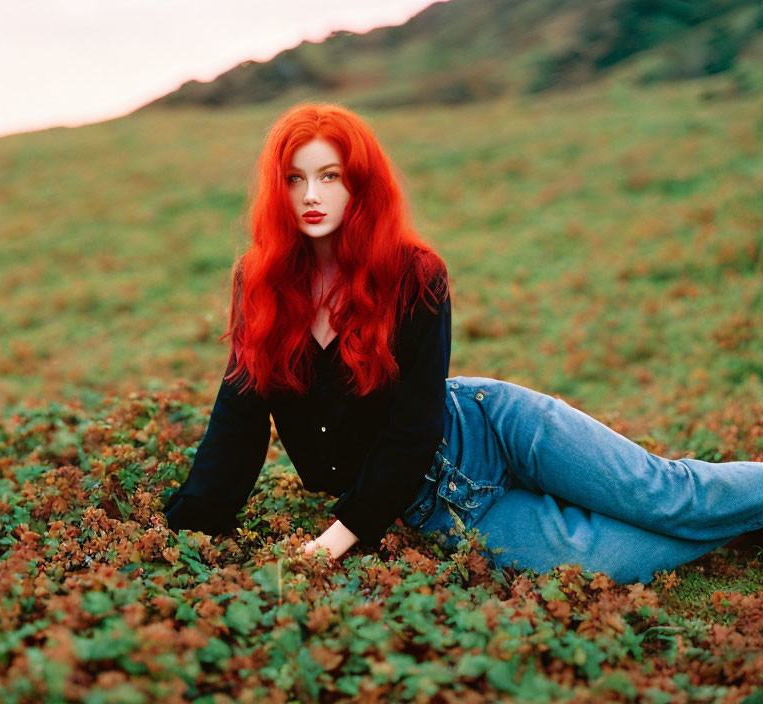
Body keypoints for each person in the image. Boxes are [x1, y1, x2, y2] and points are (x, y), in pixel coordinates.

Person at [163, 102, 763, 585]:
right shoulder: (259, 282)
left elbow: (412, 426)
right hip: (438, 503)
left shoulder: (415, 274)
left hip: (492, 425)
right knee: (607, 562)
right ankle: (745, 520)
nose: (311, 196)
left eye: (329, 176)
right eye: (295, 179)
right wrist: (186, 534)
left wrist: (336, 538)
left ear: (358, 187)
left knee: (664, 495)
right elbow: (239, 416)